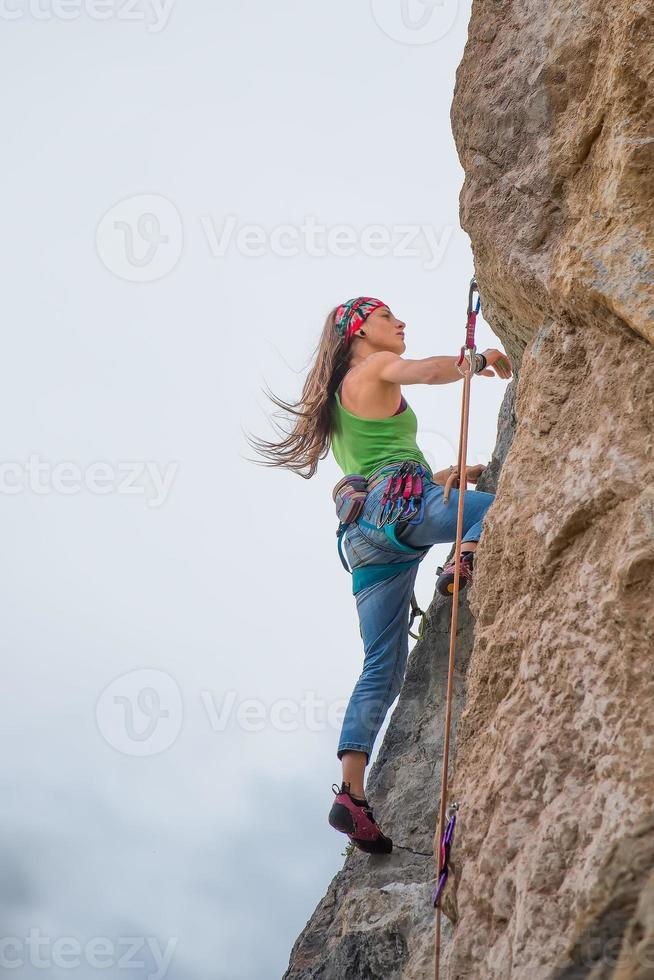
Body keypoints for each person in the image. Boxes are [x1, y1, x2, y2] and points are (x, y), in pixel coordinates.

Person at [247, 296, 512, 854]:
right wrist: (482, 358)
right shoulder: (372, 366)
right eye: (388, 316)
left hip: (365, 538)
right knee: (491, 508)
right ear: (359, 329)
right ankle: (463, 556)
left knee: (381, 666)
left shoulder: (341, 396)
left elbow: (382, 466)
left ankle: (352, 792)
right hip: (402, 513)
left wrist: (447, 475)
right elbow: (430, 370)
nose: (400, 322)